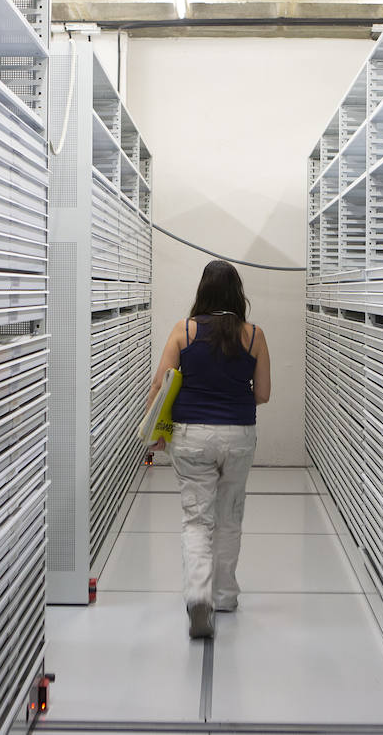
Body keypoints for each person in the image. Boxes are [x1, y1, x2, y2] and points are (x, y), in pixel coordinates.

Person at [144, 259, 271, 639]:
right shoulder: (254, 336)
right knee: (230, 516)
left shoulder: (183, 331)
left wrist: (156, 434)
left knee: (197, 519)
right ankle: (225, 595)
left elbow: (160, 385)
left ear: (202, 291)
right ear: (238, 294)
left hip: (191, 435)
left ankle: (198, 596)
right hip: (238, 435)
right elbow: (263, 394)